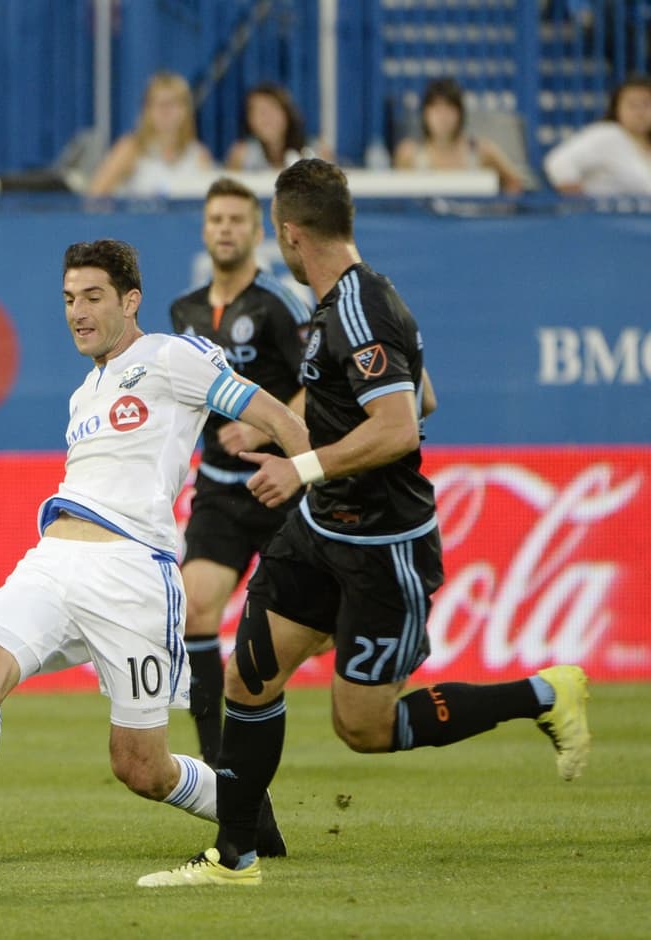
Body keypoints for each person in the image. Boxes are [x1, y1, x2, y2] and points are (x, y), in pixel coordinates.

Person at [138, 159, 591, 889]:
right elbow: (427, 396)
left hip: (385, 546)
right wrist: (285, 429)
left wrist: (303, 464)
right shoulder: (337, 304)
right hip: (321, 532)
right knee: (250, 679)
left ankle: (542, 695)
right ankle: (234, 857)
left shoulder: (360, 308)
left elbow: (404, 427)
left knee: (364, 728)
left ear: (288, 233)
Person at [0, 238, 309, 871]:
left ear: (131, 301)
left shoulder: (172, 355)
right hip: (51, 562)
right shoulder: (85, 392)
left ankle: (243, 807)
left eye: (94, 296)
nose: (78, 311)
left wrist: (307, 474)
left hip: (131, 575)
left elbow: (275, 412)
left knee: (140, 767)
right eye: (70, 299)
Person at [169, 177, 310, 769]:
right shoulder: (185, 310)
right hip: (219, 491)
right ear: (205, 231)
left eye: (236, 220)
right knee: (196, 612)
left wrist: (263, 427)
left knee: (278, 635)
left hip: (279, 489)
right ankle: (217, 765)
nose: (225, 229)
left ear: (258, 233)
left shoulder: (280, 305)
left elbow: (319, 387)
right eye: (216, 220)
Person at [89, 71, 215, 196]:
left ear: (186, 109)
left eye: (173, 103)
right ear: (147, 110)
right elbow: (95, 196)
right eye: (159, 104)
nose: (166, 111)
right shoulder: (130, 149)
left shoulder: (199, 155)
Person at [393, 77, 525, 193]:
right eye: (436, 108)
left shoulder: (484, 151)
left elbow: (515, 183)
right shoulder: (408, 154)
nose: (442, 117)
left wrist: (499, 212)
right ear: (425, 114)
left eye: (449, 108)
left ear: (460, 114)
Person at [543, 74, 651, 196]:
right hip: (606, 214)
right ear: (616, 108)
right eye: (632, 105)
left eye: (646, 104)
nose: (640, 112)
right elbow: (558, 163)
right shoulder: (606, 135)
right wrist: (580, 203)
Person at [224, 82, 320, 173]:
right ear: (249, 120)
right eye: (259, 112)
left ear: (287, 113)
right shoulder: (241, 156)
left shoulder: (317, 153)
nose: (266, 118)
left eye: (272, 109)